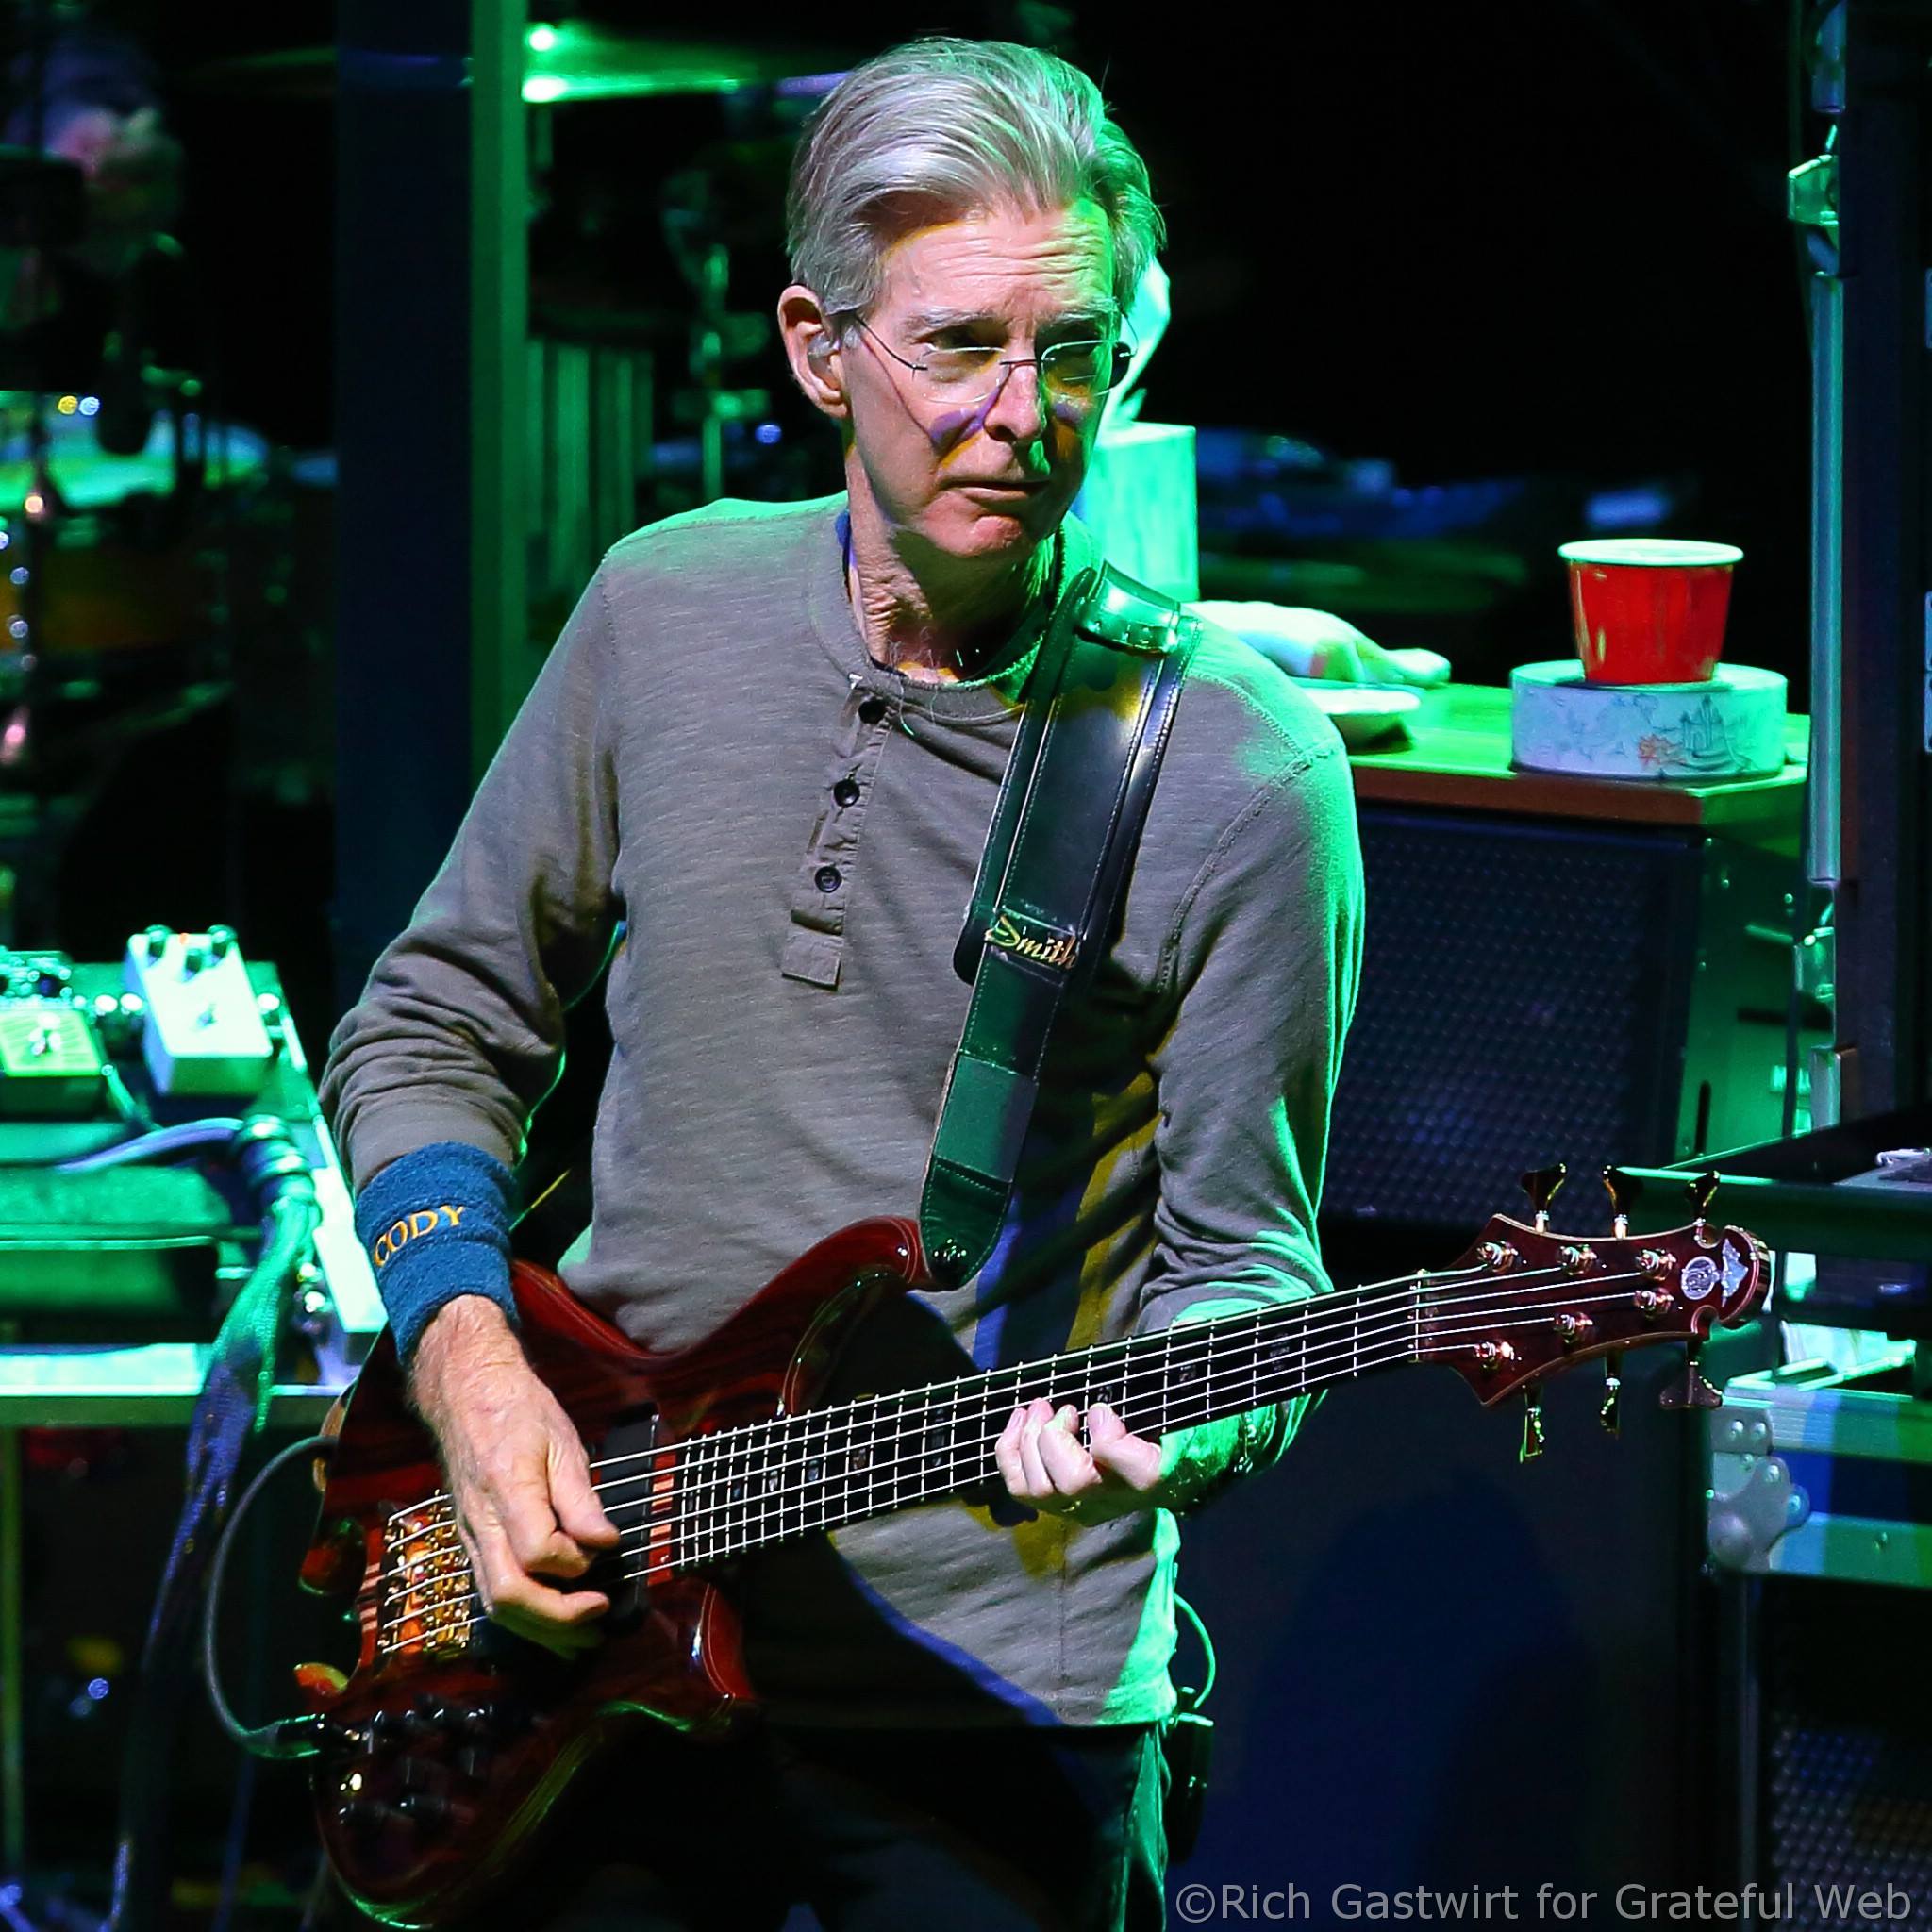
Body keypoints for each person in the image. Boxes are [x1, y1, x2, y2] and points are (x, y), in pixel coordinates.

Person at [318, 36, 1364, 1931]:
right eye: (958, 347)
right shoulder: (663, 605)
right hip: (587, 1609)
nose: (1023, 416)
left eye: (1072, 354)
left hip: (989, 1700)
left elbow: (1246, 1270)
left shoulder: (1243, 769)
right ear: (818, 349)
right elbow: (434, 1021)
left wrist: (1180, 1422)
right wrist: (468, 1372)